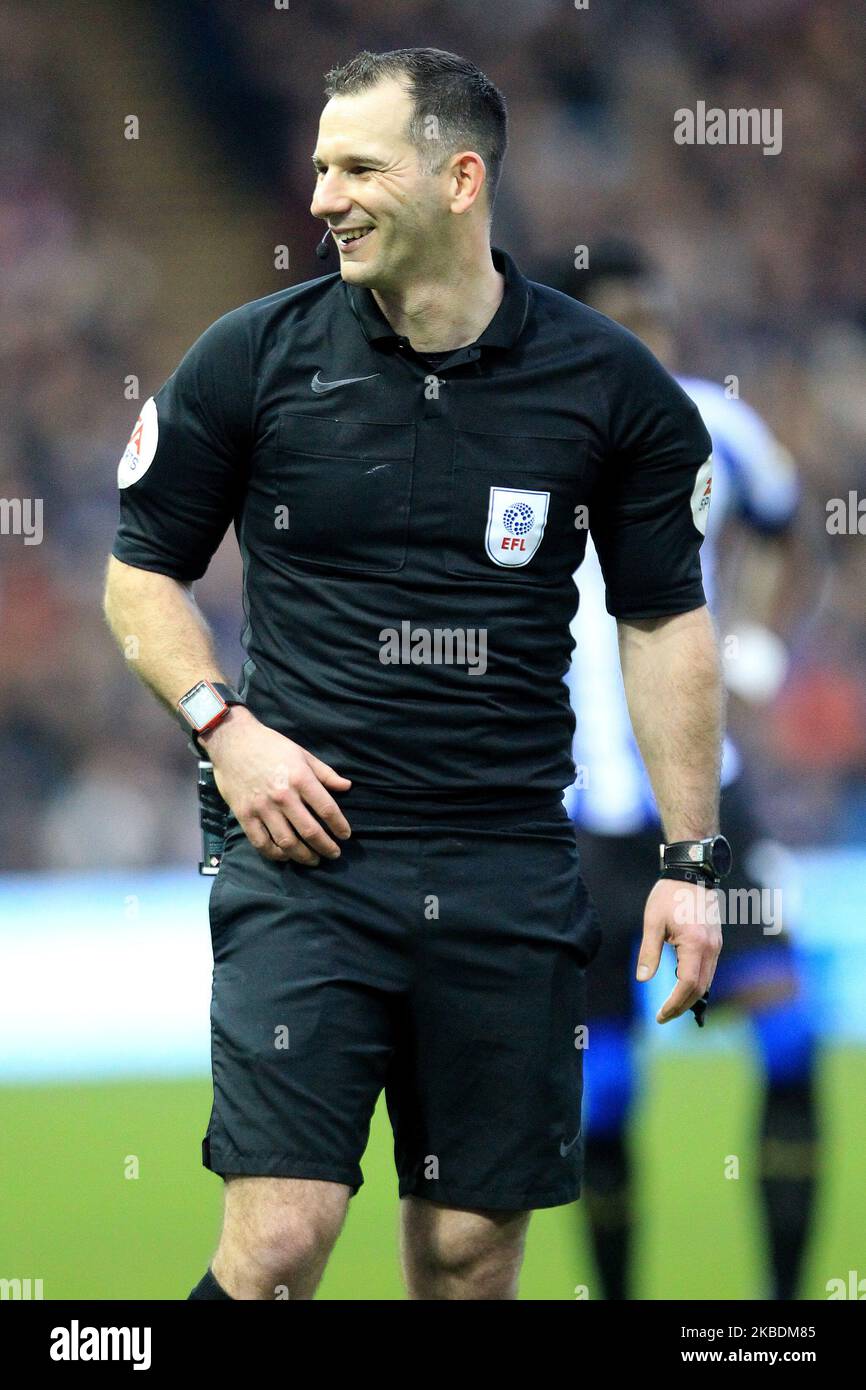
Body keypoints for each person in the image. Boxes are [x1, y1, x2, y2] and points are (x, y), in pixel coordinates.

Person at [103, 49, 723, 1302]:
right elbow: (138, 576)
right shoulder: (251, 359)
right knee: (278, 1243)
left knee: (467, 1253)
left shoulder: (612, 390)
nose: (321, 195)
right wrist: (223, 725)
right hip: (303, 854)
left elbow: (663, 622)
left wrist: (689, 860)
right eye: (318, 165)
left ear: (457, 177)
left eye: (355, 166)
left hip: (504, 862)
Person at [534, 241, 819, 1301]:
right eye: (625, 322)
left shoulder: (708, 421)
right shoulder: (522, 442)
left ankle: (783, 1315)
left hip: (709, 794)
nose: (650, 341)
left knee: (789, 1035)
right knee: (602, 1092)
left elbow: (787, 529)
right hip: (577, 816)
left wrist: (754, 641)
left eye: (655, 317)